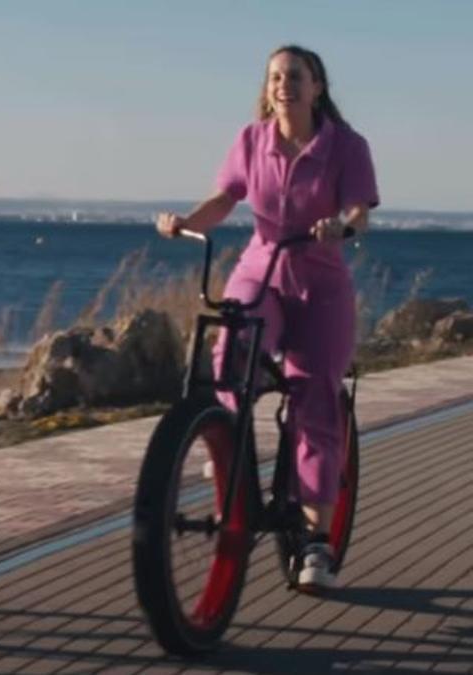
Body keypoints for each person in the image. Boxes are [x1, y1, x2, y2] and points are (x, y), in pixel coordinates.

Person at [155, 45, 378, 592]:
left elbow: (359, 213)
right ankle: (228, 445)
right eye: (276, 77)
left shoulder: (346, 146)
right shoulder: (252, 140)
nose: (285, 85)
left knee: (315, 399)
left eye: (295, 76)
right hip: (263, 265)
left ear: (317, 86)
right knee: (234, 346)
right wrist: (186, 221)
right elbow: (225, 197)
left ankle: (316, 544)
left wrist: (340, 229)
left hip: (321, 281)